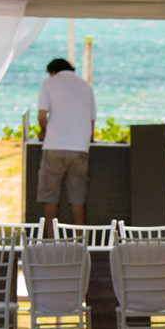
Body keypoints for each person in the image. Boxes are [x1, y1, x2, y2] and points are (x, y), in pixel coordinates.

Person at [37, 58, 96, 234]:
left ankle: (52, 240)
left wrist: (44, 131)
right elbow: (92, 121)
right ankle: (79, 241)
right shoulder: (86, 86)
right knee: (77, 199)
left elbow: (42, 116)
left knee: (50, 198)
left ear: (53, 71)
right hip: (80, 148)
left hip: (54, 146)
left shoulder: (49, 83)